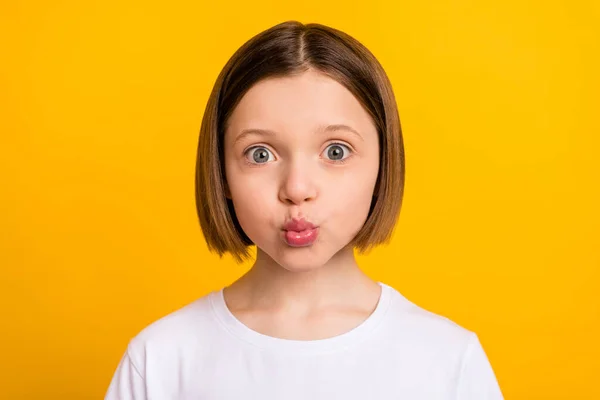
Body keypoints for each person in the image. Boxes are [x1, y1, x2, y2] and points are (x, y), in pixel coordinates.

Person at [105, 20, 504, 399]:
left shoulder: (449, 362)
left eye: (336, 151)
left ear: (384, 165)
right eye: (259, 154)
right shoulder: (159, 361)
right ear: (221, 171)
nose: (296, 189)